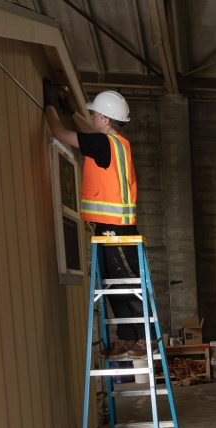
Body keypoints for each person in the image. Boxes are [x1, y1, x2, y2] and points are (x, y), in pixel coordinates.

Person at [47, 90, 146, 359]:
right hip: (111, 229)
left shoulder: (104, 146)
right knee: (115, 285)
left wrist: (50, 109)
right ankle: (128, 340)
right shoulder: (114, 143)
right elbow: (89, 132)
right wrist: (72, 111)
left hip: (116, 231)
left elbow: (59, 133)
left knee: (126, 286)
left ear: (105, 119)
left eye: (94, 114)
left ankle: (140, 341)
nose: (91, 117)